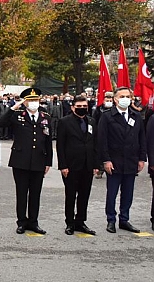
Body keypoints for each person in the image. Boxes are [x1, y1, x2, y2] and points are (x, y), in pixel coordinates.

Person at [0, 88, 52, 235]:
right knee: (21, 193)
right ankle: (21, 222)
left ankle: (33, 222)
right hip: (20, 161)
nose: (34, 103)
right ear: (25, 102)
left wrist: (48, 162)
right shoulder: (17, 116)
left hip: (39, 161)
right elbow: (0, 123)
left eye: (36, 100)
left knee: (35, 193)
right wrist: (14, 107)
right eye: (30, 100)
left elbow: (48, 141)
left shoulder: (45, 117)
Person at [97, 87, 146, 234]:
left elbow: (141, 138)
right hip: (114, 161)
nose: (125, 99)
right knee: (112, 193)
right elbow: (102, 140)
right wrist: (106, 160)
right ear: (115, 99)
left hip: (131, 160)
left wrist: (142, 158)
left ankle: (124, 219)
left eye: (128, 96)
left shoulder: (136, 116)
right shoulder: (107, 116)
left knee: (128, 192)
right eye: (122, 96)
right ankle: (111, 219)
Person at [56, 95, 98, 235]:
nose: (82, 109)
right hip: (71, 165)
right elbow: (60, 145)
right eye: (79, 107)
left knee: (84, 195)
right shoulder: (64, 122)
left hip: (87, 165)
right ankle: (70, 223)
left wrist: (95, 164)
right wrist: (63, 166)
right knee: (70, 195)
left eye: (84, 107)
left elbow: (94, 143)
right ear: (73, 107)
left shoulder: (91, 121)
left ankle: (80, 221)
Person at [92, 91, 114, 179]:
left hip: (112, 134)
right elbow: (94, 121)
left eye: (110, 99)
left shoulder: (116, 109)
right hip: (100, 133)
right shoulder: (98, 109)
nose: (108, 101)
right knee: (100, 151)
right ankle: (100, 169)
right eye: (107, 99)